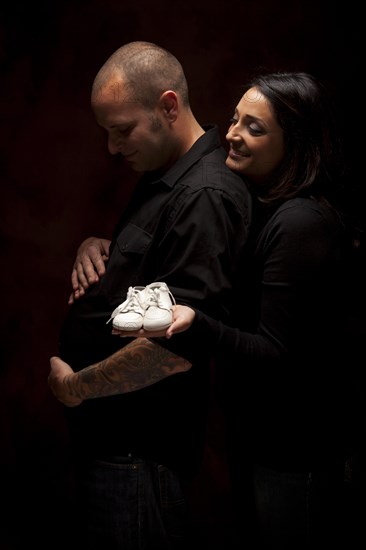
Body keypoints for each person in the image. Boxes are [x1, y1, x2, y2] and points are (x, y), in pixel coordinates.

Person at [50, 71, 361, 548]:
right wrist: (107, 249)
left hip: (293, 452)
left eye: (255, 127)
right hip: (259, 442)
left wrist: (198, 326)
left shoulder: (296, 221)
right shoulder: (263, 206)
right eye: (236, 119)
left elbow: (276, 352)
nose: (232, 133)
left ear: (295, 142)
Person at [51, 41, 251, 549]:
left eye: (122, 131)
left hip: (140, 456)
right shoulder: (165, 173)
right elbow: (147, 280)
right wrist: (98, 246)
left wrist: (78, 389)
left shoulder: (205, 194)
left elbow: (176, 347)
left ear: (168, 106)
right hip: (117, 452)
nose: (113, 149)